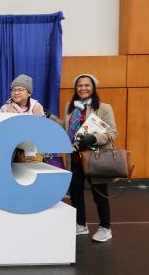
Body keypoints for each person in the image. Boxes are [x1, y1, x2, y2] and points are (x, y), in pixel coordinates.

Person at [64, 73, 117, 242]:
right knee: (76, 193)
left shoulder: (104, 108)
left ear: (93, 87)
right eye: (80, 85)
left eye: (87, 85)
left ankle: (105, 228)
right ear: (75, 88)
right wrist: (51, 118)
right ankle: (81, 225)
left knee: (99, 195)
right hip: (75, 157)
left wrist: (94, 138)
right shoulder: (70, 107)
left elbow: (112, 133)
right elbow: (66, 128)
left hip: (95, 157)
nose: (83, 88)